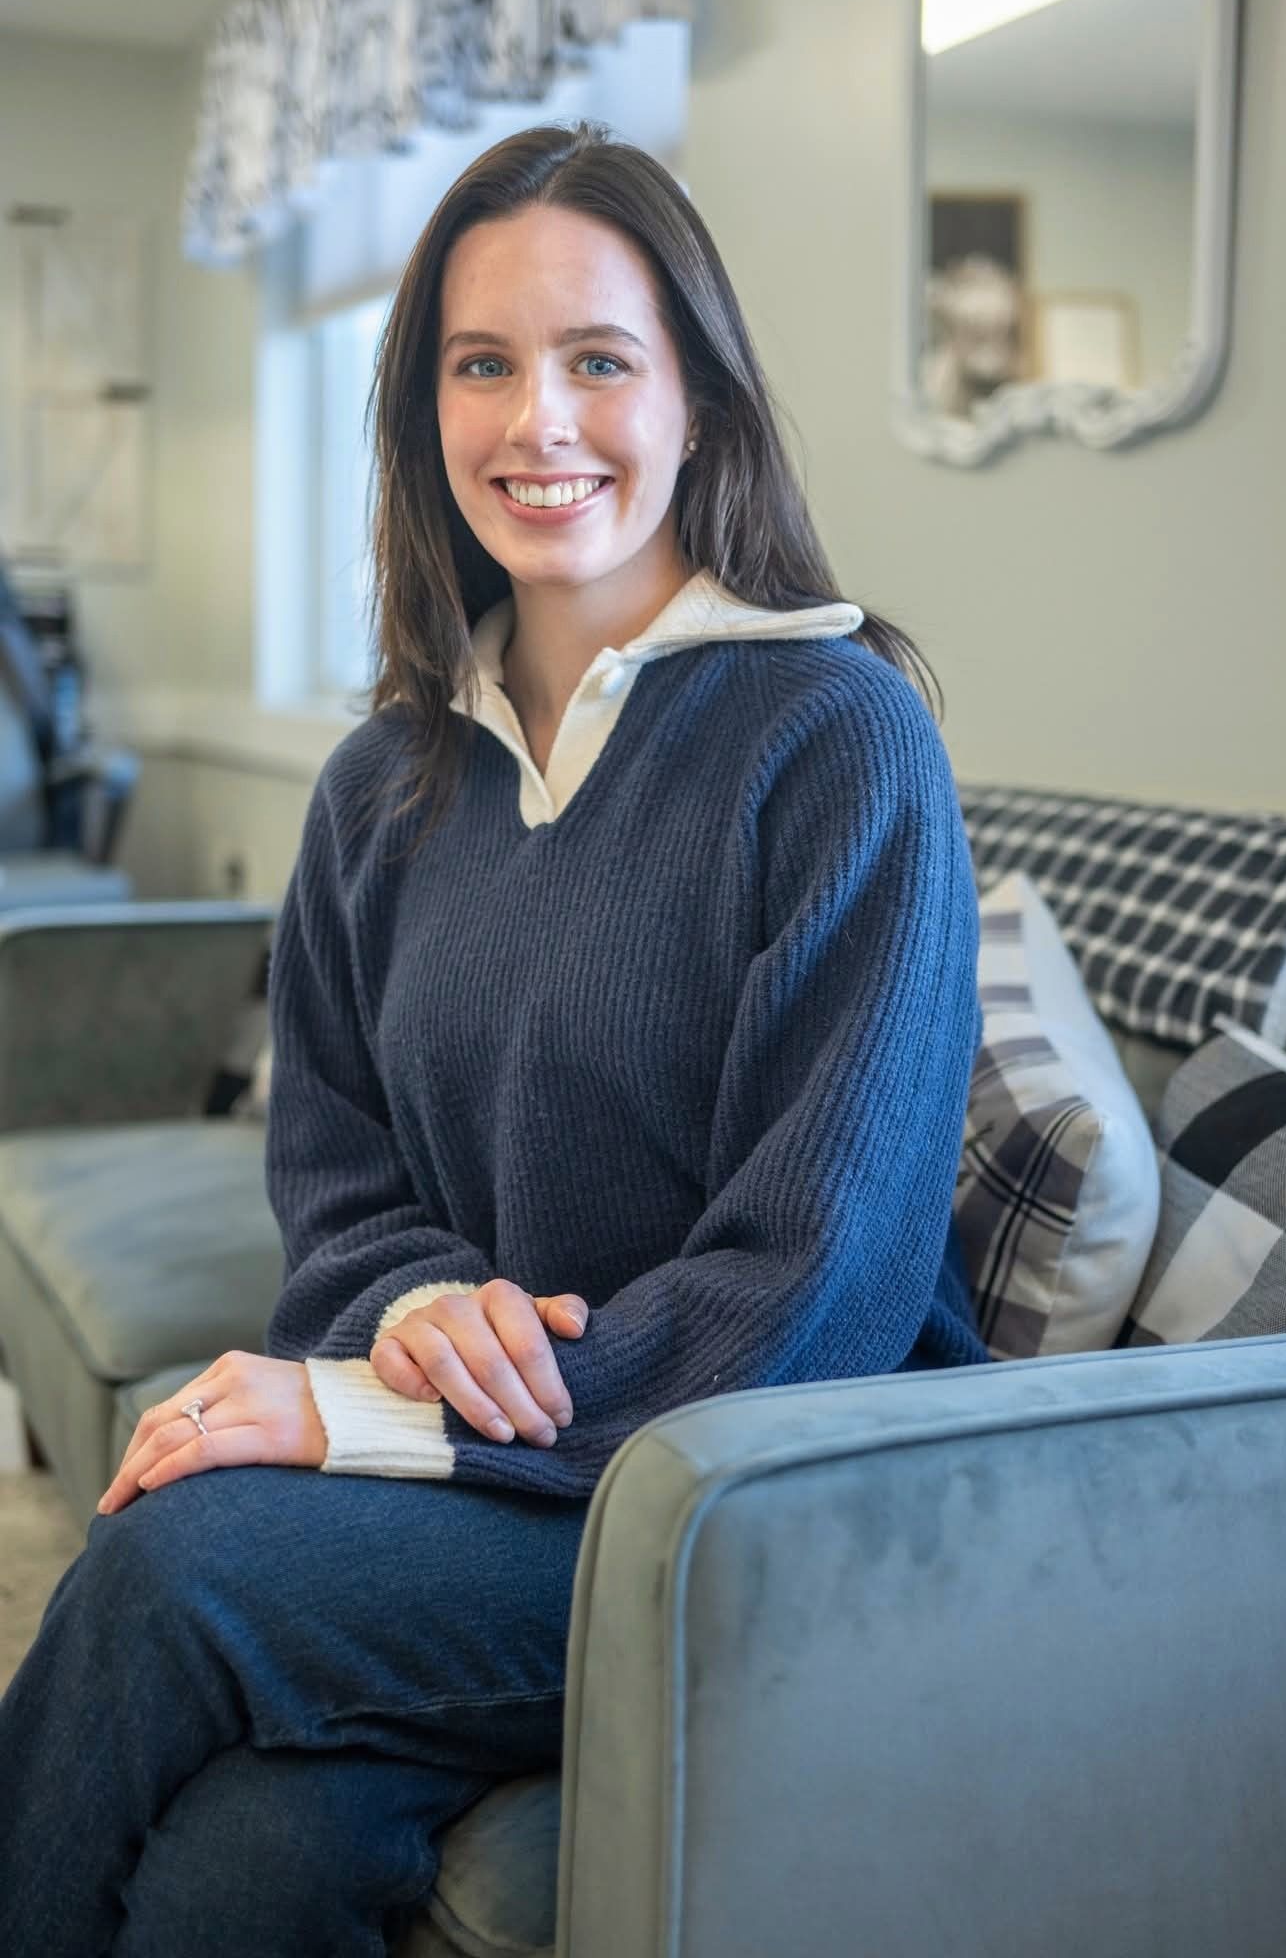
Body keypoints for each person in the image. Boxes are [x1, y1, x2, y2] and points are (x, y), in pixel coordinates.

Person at [0, 120, 988, 1956]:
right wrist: (409, 1312)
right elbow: (338, 1178)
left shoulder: (837, 739)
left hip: (767, 1502)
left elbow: (823, 1289)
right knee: (249, 1867)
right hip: (510, 1497)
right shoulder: (380, 784)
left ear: (700, 400)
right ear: (421, 414)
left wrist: (371, 1410)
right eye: (482, 363)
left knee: (169, 1574)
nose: (539, 420)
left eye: (599, 360)